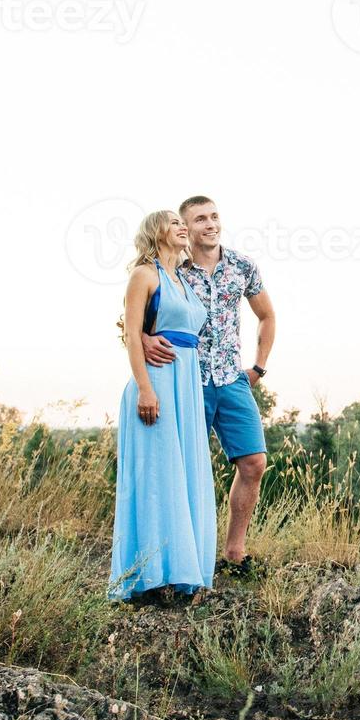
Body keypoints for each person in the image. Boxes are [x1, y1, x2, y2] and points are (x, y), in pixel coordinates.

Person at [143, 195, 274, 580]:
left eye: (214, 216)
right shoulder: (173, 270)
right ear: (185, 228)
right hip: (186, 381)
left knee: (254, 463)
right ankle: (179, 557)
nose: (210, 224)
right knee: (181, 468)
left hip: (231, 379)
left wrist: (259, 368)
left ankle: (234, 553)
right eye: (200, 219)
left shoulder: (242, 266)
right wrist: (146, 340)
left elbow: (266, 315)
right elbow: (135, 319)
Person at [108, 210, 217, 603]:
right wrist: (144, 388)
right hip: (156, 386)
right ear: (156, 232)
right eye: (174, 222)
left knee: (182, 475)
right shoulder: (144, 275)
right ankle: (147, 577)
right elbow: (132, 336)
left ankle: (181, 571)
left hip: (186, 387)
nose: (182, 226)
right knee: (155, 480)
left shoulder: (184, 281)